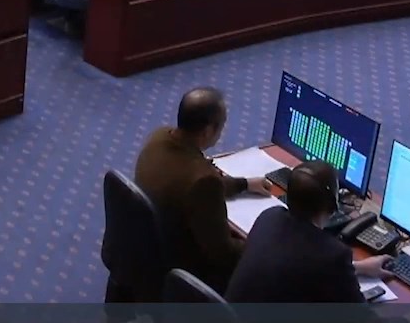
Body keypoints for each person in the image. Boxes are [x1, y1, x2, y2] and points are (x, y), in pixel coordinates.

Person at [133, 87, 272, 296]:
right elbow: (222, 254)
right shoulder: (203, 182)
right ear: (207, 131)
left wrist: (245, 184)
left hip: (147, 249)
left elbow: (184, 180)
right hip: (183, 270)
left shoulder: (158, 138)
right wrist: (261, 245)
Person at [225, 161, 395, 303]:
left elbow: (299, 266)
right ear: (332, 207)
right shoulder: (333, 255)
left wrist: (358, 268)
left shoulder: (269, 217)